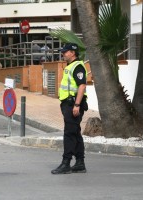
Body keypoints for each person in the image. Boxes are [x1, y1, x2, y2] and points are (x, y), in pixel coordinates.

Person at [51, 43, 88, 175]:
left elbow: (82, 86)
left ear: (73, 53)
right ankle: (80, 163)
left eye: (65, 52)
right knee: (75, 132)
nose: (63, 54)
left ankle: (66, 163)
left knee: (69, 133)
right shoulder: (71, 66)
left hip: (73, 104)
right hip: (68, 103)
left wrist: (77, 105)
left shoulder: (77, 66)